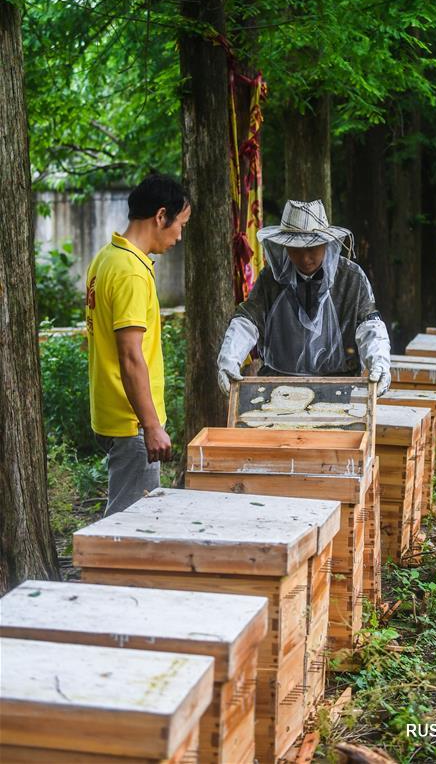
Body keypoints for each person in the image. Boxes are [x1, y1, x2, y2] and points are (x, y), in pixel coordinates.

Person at [85, 174, 191, 515]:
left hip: (112, 411)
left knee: (127, 519)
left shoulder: (107, 257)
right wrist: (151, 425)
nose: (180, 235)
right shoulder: (130, 271)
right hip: (131, 420)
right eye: (181, 224)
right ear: (161, 216)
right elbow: (130, 356)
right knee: (129, 528)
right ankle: (102, 570)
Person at [217, 198, 391, 396]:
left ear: (326, 243)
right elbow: (247, 320)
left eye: (311, 248)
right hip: (278, 387)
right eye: (295, 250)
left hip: (339, 387)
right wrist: (229, 359)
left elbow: (369, 324)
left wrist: (380, 362)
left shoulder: (351, 278)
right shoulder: (271, 279)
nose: (304, 258)